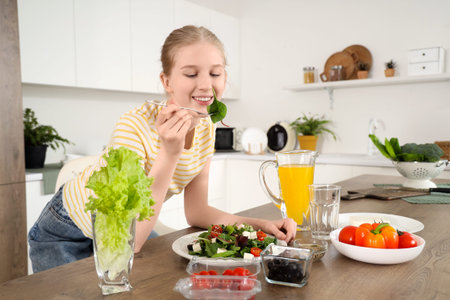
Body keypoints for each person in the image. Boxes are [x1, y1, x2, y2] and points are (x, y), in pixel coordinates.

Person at [28, 25, 297, 273]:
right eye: (191, 73)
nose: (205, 84)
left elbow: (198, 211)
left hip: (131, 232)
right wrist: (169, 153)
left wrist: (261, 225)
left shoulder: (207, 127)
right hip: (66, 229)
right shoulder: (133, 126)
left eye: (215, 73)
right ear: (167, 82)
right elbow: (126, 242)